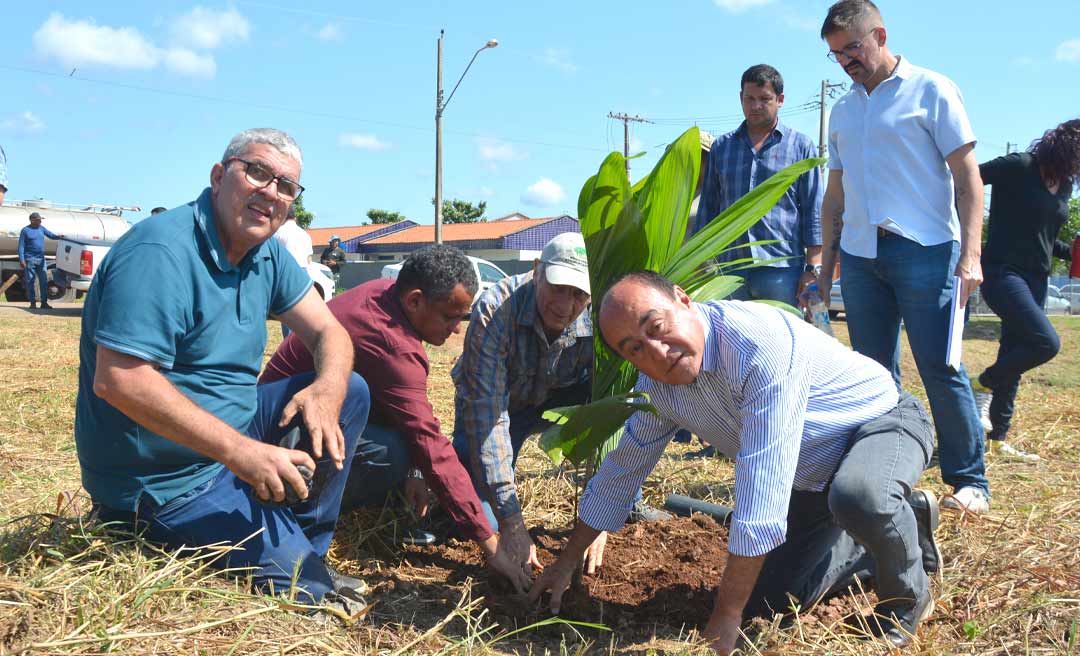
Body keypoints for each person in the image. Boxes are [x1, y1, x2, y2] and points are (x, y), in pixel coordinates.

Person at [530, 271, 943, 652]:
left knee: (861, 495)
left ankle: (906, 601)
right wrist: (565, 563)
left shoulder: (757, 346)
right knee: (770, 602)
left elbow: (762, 485)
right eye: (635, 349)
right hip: (811, 477)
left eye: (656, 328)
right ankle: (895, 529)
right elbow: (622, 471)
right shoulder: (660, 388)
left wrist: (725, 616)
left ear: (683, 300)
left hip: (881, 425)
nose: (657, 351)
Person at [76, 128, 370, 610]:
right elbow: (120, 379)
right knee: (312, 595)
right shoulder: (161, 253)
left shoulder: (266, 251)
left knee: (352, 391)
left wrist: (327, 388)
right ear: (219, 176)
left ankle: (305, 546)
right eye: (256, 172)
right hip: (162, 476)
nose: (270, 192)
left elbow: (328, 333)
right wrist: (242, 454)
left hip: (234, 433)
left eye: (286, 185)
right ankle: (142, 529)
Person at [260, 244, 530, 593]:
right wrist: (490, 546)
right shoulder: (392, 344)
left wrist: (416, 472)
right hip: (280, 435)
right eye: (449, 317)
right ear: (415, 300)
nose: (456, 330)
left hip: (291, 410)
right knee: (392, 453)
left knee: (400, 447)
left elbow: (409, 416)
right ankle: (301, 537)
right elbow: (429, 443)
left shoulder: (384, 294)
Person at [815, 0, 990, 513]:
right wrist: (826, 273)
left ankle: (969, 480)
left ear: (881, 35)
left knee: (940, 367)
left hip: (928, 251)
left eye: (853, 48)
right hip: (862, 257)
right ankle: (885, 472)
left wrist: (971, 254)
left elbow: (968, 179)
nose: (847, 61)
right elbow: (835, 197)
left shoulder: (932, 89)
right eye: (836, 55)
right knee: (872, 374)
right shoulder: (845, 109)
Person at [452, 233, 671, 574]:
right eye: (557, 287)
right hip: (501, 403)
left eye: (578, 294)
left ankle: (629, 502)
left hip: (563, 396)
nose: (566, 306)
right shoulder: (496, 310)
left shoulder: (604, 313)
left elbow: (612, 402)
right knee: (483, 517)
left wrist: (602, 512)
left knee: (617, 406)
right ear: (537, 270)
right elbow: (488, 417)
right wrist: (513, 523)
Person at [971, 120, 1080, 462]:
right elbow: (964, 179)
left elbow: (1045, 240)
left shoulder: (1062, 186)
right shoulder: (1019, 166)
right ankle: (981, 383)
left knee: (1015, 352)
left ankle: (998, 438)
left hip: (1037, 278)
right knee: (1044, 343)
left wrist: (1073, 252)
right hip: (1002, 271)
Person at [692, 64, 824, 308]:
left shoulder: (801, 147)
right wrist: (703, 266)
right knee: (734, 342)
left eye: (764, 99)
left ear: (780, 99)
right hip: (730, 271)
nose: (755, 106)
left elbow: (814, 211)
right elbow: (708, 209)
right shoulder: (722, 147)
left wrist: (812, 268)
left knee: (783, 341)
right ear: (740, 98)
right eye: (748, 98)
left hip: (782, 269)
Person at [274, 203, 315, 338]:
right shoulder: (305, 234)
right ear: (295, 218)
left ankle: (288, 343)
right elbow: (309, 259)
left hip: (286, 273)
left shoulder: (278, 233)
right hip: (304, 272)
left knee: (287, 313)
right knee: (303, 314)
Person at [18, 212, 62, 309]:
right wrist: (22, 259)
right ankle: (33, 303)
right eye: (38, 220)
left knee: (43, 281)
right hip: (30, 260)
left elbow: (51, 235)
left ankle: (44, 303)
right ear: (32, 220)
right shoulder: (25, 230)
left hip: (41, 260)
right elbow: (21, 246)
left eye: (40, 220)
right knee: (31, 282)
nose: (40, 221)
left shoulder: (42, 228)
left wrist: (60, 237)